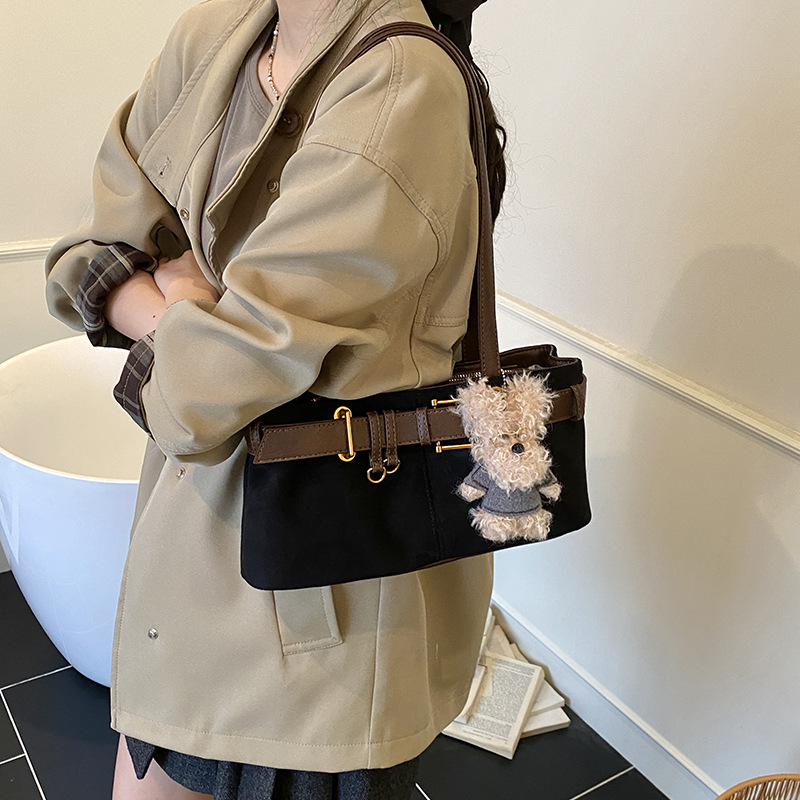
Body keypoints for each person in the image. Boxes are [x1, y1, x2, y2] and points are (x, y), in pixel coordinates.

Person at [44, 0, 507, 797]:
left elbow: (194, 394)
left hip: (319, 621)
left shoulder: (403, 82)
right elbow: (85, 259)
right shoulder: (216, 35)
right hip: (184, 560)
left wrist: (170, 295)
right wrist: (184, 315)